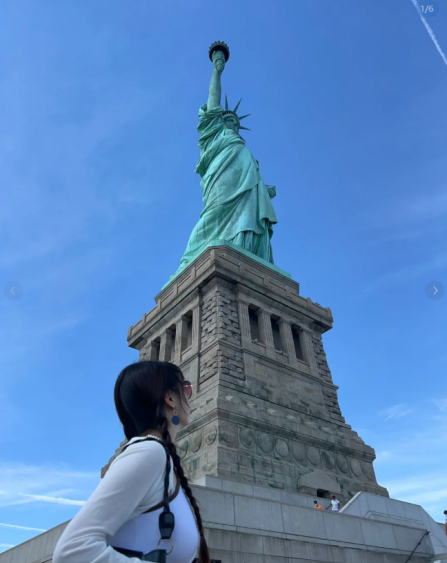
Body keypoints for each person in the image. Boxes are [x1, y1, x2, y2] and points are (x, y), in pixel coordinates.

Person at [53, 361, 210, 563]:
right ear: (170, 399)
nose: (190, 397)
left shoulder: (160, 458)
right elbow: (72, 551)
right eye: (186, 389)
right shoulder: (150, 452)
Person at [172, 46, 278, 279]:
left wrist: (264, 190)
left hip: (247, 189)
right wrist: (216, 70)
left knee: (249, 219)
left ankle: (245, 252)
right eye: (229, 120)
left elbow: (254, 179)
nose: (234, 125)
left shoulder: (243, 149)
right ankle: (188, 262)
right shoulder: (215, 133)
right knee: (213, 214)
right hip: (221, 181)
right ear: (219, 121)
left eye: (236, 124)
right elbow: (213, 99)